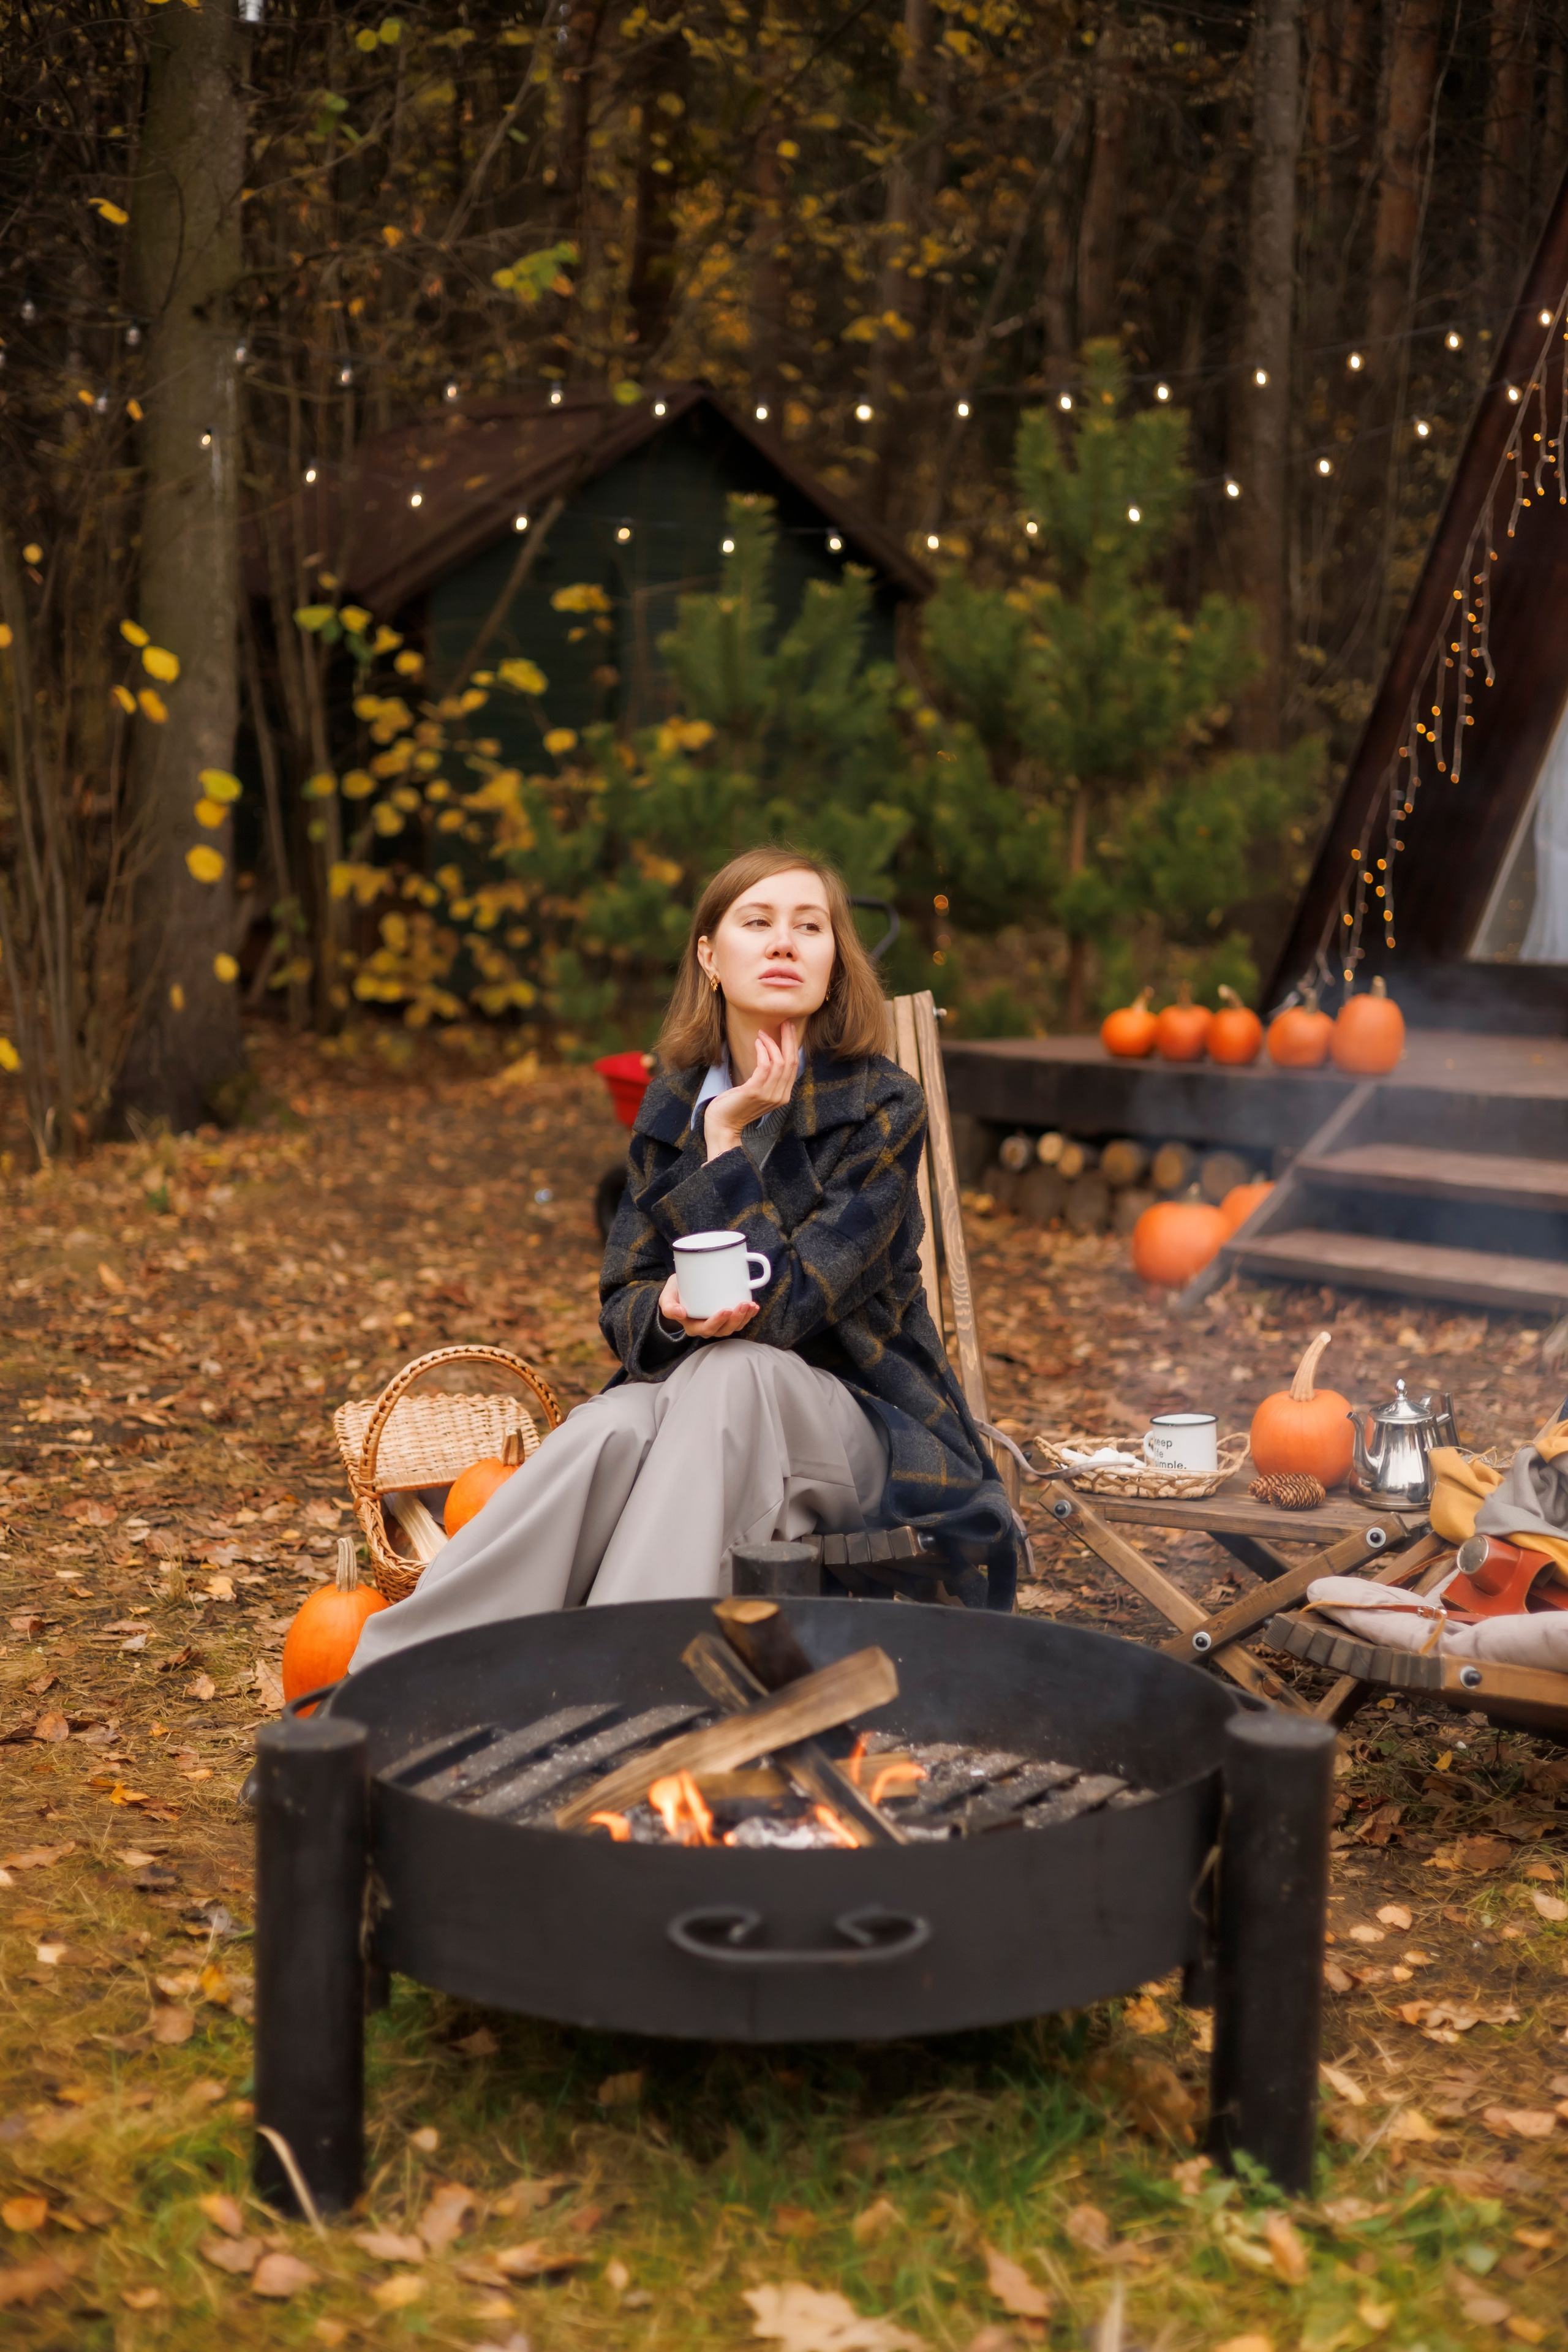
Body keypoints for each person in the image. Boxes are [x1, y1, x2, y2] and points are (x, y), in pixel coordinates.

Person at [350, 846, 1017, 1670]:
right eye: (757, 922)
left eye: (810, 927)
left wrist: (726, 1141)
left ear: (835, 965)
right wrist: (665, 1311)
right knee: (608, 1427)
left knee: (733, 1372)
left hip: (863, 1428)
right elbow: (625, 1294)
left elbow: (788, 1309)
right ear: (710, 956)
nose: (784, 942)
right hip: (703, 1410)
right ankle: (397, 1674)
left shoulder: (881, 1106)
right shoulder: (673, 1099)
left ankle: (625, 1678)